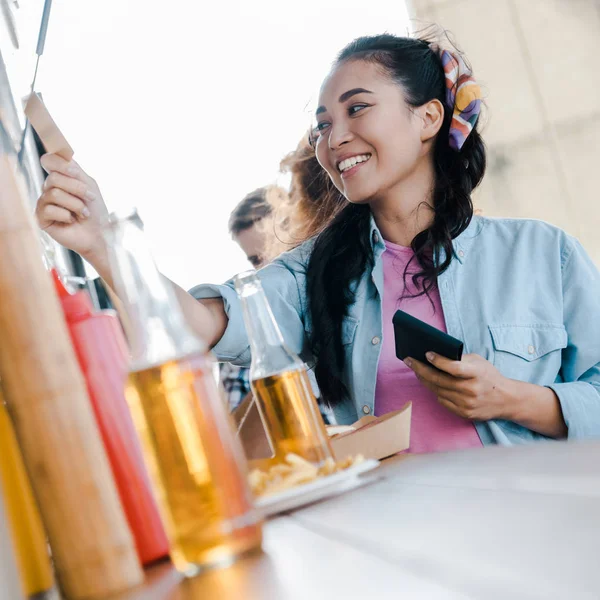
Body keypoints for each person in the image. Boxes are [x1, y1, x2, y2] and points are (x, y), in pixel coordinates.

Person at [36, 33, 600, 453]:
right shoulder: (314, 273)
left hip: (536, 535)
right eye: (323, 125)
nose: (335, 138)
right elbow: (199, 325)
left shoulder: (543, 254)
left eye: (357, 109)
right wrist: (104, 243)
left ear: (428, 117)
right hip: (401, 552)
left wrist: (516, 399)